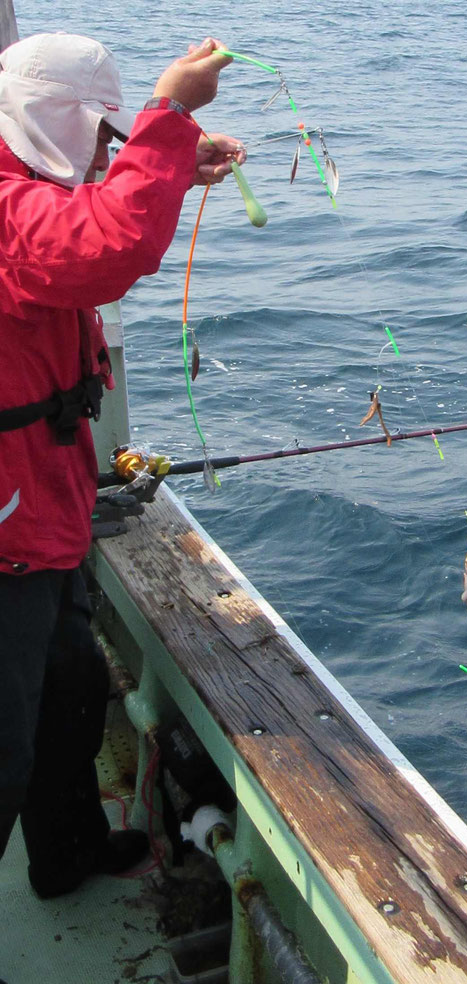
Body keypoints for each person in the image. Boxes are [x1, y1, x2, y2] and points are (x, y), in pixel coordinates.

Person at [0, 31, 244, 899]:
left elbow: (84, 212)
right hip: (7, 531)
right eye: (100, 131)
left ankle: (64, 854)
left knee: (68, 690)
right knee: (4, 745)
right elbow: (101, 246)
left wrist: (170, 164)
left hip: (42, 498)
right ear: (53, 119)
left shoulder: (23, 178)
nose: (108, 148)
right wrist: (169, 116)